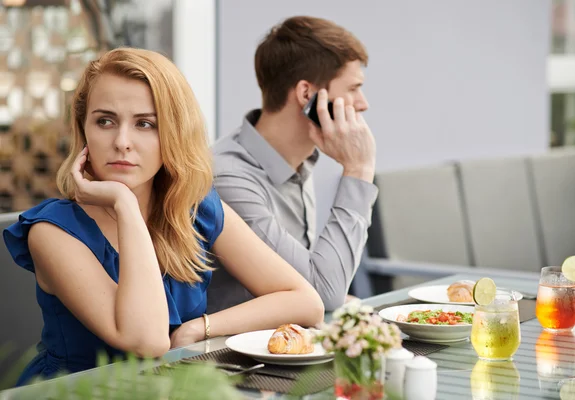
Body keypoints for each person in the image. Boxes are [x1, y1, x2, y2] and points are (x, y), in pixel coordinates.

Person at [3, 48, 324, 386]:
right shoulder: (52, 232)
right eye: (105, 121)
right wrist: (125, 205)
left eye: (145, 124)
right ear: (84, 130)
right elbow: (148, 341)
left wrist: (201, 327)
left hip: (171, 388)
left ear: (173, 132)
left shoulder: (195, 209)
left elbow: (305, 301)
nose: (122, 142)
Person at [208, 16, 378, 313]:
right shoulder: (229, 177)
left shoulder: (300, 161)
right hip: (231, 355)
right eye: (353, 88)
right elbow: (323, 292)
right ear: (307, 95)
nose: (362, 103)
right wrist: (359, 171)